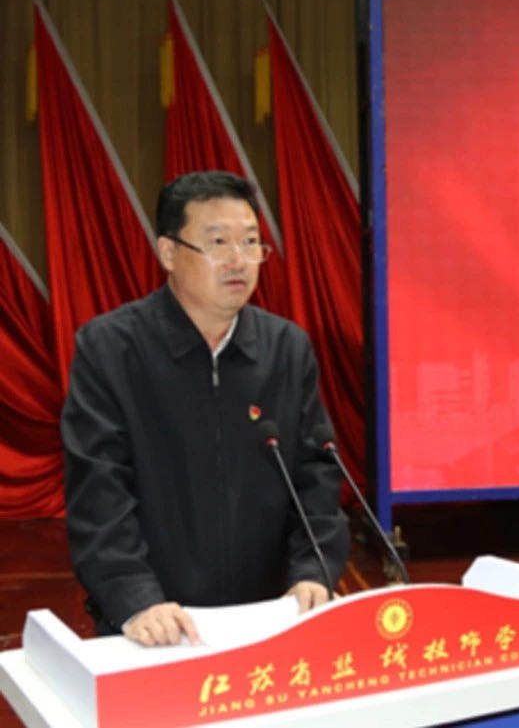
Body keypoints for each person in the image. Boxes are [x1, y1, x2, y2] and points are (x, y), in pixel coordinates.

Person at [61, 170, 349, 647]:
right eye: (218, 242)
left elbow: (315, 476)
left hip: (269, 619)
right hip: (156, 626)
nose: (239, 260)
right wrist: (135, 597)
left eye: (251, 242)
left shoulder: (286, 348)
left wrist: (313, 572)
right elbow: (99, 490)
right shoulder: (110, 349)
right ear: (168, 252)